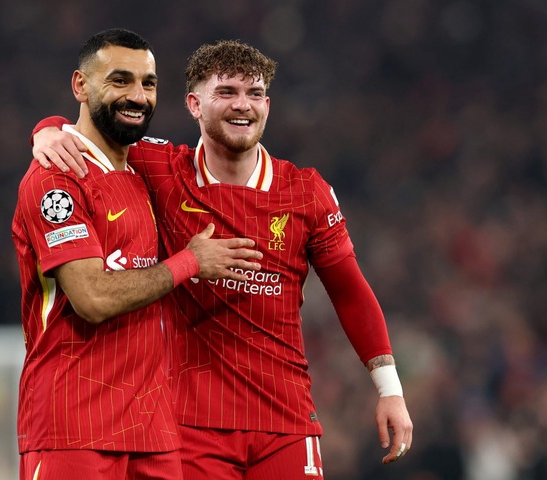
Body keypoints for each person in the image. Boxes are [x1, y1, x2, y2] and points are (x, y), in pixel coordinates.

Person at [29, 40, 413, 480]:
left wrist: (390, 390)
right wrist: (50, 129)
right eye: (226, 92)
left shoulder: (306, 192)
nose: (242, 106)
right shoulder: (159, 167)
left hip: (285, 421)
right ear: (194, 103)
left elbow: (350, 291)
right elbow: (96, 130)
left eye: (254, 94)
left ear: (268, 105)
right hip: (188, 424)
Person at [12, 30, 264, 480]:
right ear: (80, 86)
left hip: (151, 431)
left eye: (148, 83)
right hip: (74, 426)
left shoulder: (146, 169)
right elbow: (92, 299)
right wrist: (190, 262)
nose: (138, 96)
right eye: (120, 81)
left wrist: (45, 126)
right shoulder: (56, 179)